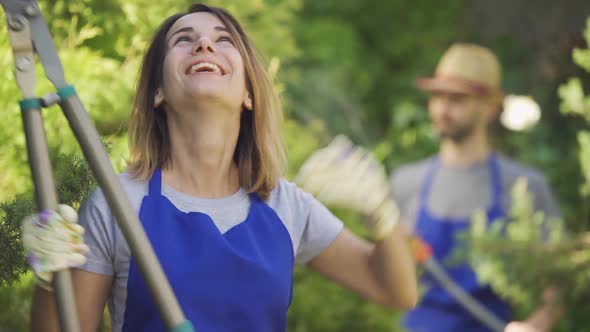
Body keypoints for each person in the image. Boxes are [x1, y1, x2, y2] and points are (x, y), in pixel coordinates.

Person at [23, 3, 417, 332]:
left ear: (248, 92)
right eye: (183, 40)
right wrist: (49, 278)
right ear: (158, 91)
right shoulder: (117, 204)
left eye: (223, 39)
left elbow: (394, 291)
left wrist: (382, 215)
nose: (204, 44)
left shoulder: (286, 206)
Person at [390, 43, 562, 332]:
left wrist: (536, 325)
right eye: (437, 97)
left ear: (490, 107)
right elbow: (382, 282)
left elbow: (559, 281)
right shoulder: (405, 182)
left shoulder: (524, 186)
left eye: (457, 99)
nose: (443, 109)